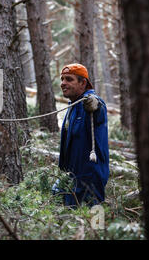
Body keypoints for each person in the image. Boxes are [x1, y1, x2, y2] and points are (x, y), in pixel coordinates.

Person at [52, 63, 109, 207]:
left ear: (83, 83)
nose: (63, 83)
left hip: (90, 178)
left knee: (94, 223)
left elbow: (98, 107)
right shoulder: (73, 105)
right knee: (69, 217)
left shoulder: (88, 102)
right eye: (62, 79)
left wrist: (95, 104)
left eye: (69, 79)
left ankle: (99, 229)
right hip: (72, 176)